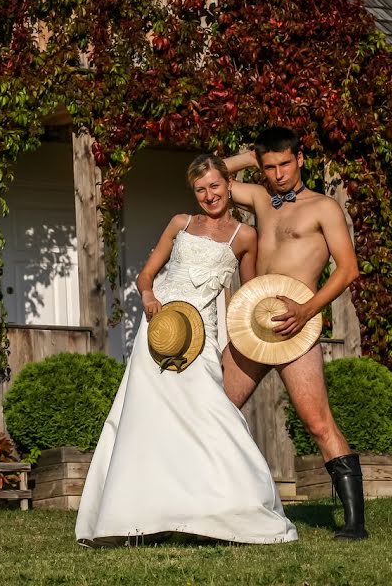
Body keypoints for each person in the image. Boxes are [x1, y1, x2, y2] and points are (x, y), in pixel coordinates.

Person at [75, 154, 298, 547]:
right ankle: (135, 519)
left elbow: (246, 294)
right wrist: (147, 295)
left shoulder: (245, 237)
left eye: (215, 186)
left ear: (229, 186)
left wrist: (267, 317)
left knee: (210, 414)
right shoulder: (180, 223)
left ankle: (231, 509)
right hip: (160, 329)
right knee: (146, 420)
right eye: (200, 189)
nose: (209, 195)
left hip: (203, 335)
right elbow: (147, 273)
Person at [222, 126, 368, 540]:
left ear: (300, 159)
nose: (279, 173)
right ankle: (214, 505)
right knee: (215, 408)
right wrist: (250, 157)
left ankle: (354, 522)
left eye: (285, 163)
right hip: (252, 321)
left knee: (319, 424)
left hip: (297, 326)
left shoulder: (324, 208)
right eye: (269, 166)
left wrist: (307, 310)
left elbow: (348, 269)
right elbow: (207, 178)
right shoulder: (259, 198)